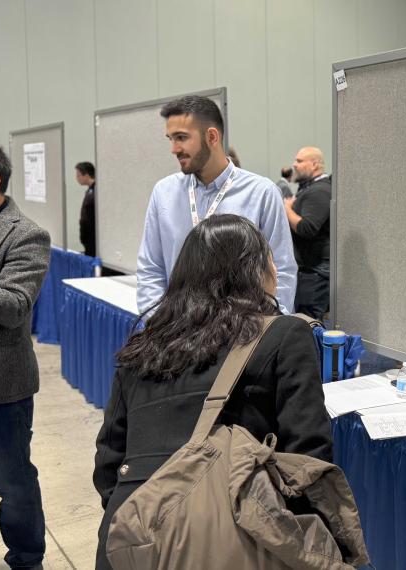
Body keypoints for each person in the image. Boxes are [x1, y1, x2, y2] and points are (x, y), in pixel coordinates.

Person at [94, 214, 332, 570]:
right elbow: (308, 459)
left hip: (130, 539)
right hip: (232, 542)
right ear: (255, 271)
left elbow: (108, 461)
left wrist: (151, 520)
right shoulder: (284, 335)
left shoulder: (142, 347)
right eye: (270, 258)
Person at [136, 95, 297, 314]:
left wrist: (268, 326)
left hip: (242, 330)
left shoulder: (262, 193)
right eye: (171, 139)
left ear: (212, 136)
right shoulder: (163, 193)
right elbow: (151, 269)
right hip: (178, 329)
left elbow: (282, 270)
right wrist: (158, 322)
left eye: (181, 138)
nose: (174, 149)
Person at [0, 143, 51, 570]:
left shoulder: (26, 234)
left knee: (12, 481)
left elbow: (15, 306)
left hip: (2, 386)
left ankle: (28, 559)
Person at [284, 147, 331, 319]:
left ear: (315, 164)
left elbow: (307, 228)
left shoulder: (319, 191)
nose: (294, 165)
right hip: (311, 271)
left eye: (299, 161)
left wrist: (287, 209)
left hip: (315, 272)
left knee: (308, 322)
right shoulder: (311, 188)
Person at [74, 161, 96, 257]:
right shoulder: (90, 191)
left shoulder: (95, 192)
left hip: (93, 239)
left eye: (78, 175)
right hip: (88, 239)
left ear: (86, 175)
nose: (77, 178)